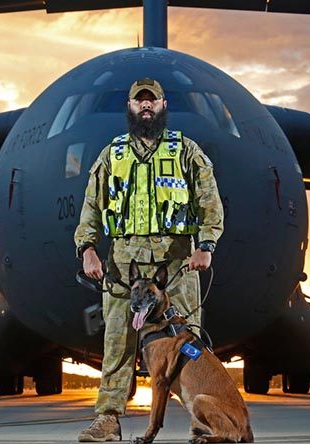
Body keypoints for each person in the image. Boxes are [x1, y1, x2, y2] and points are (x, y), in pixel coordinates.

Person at [74, 78, 224, 442]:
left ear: (162, 106)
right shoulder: (113, 155)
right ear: (129, 106)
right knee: (117, 341)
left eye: (151, 101)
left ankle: (203, 422)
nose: (145, 107)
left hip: (175, 266)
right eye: (139, 101)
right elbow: (91, 209)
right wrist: (88, 249)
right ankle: (108, 418)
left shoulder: (186, 152)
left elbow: (209, 203)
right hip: (124, 266)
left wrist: (205, 245)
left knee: (187, 345)